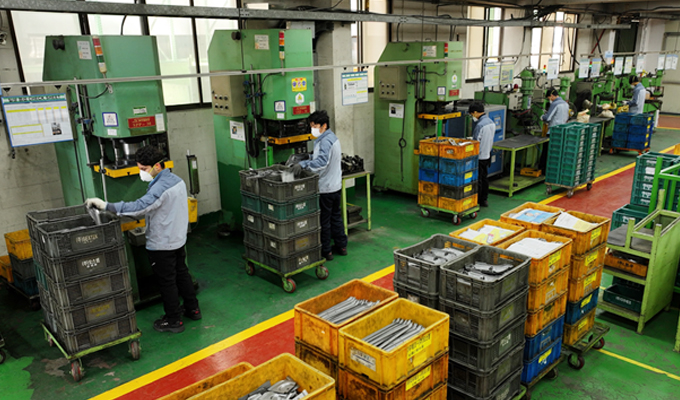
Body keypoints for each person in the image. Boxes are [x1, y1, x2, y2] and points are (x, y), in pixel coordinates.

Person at [85, 146, 199, 334]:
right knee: (182, 274)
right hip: (178, 239)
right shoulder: (176, 180)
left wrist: (105, 205)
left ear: (156, 166)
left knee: (167, 282)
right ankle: (193, 309)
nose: (141, 172)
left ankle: (173, 321)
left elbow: (139, 208)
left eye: (143, 169)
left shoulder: (160, 188)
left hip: (162, 244)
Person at [292, 110, 348, 261]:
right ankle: (342, 246)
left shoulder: (325, 141)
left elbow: (321, 163)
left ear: (324, 125)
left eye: (315, 125)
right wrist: (307, 156)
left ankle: (326, 251)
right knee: (336, 217)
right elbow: (322, 157)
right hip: (335, 186)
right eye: (311, 126)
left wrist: (303, 164)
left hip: (326, 188)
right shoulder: (331, 138)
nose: (313, 129)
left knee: (324, 220)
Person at [469, 102, 494, 208]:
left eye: (471, 114)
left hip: (479, 156)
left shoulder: (479, 125)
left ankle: (477, 201)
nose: (472, 117)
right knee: (484, 178)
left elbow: (475, 142)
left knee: (477, 179)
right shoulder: (490, 122)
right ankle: (484, 200)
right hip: (487, 154)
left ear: (475, 113)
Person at [540, 88, 569, 171]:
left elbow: (548, 118)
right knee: (556, 152)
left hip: (553, 132)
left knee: (547, 152)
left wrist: (542, 117)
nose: (549, 100)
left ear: (552, 96)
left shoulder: (555, 104)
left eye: (549, 98)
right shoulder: (565, 104)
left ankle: (544, 170)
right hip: (562, 131)